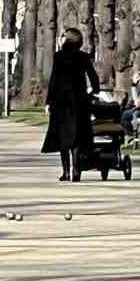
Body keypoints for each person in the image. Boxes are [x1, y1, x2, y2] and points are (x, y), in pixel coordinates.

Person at [42, 28, 100, 181]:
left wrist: (49, 101)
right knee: (77, 137)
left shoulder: (59, 57)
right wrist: (93, 91)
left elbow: (54, 81)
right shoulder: (83, 57)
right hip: (80, 101)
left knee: (63, 138)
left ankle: (66, 171)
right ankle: (76, 170)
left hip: (61, 102)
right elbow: (93, 78)